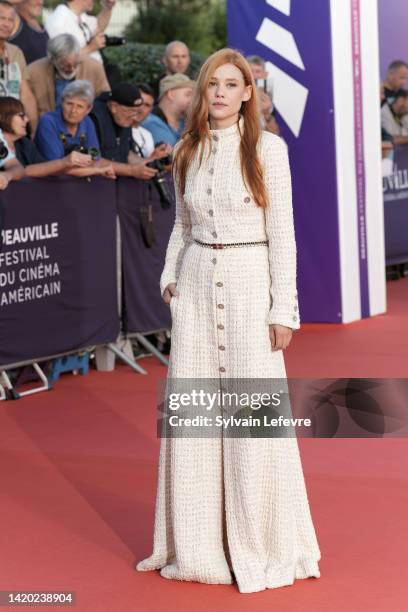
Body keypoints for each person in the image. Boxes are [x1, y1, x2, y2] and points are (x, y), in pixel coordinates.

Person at [136, 48, 321, 593]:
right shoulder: (187, 150)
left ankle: (260, 540)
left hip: (247, 286)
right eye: (211, 83)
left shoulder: (270, 150)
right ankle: (196, 546)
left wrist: (283, 307)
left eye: (230, 84)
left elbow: (283, 235)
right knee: (195, 422)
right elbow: (180, 224)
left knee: (252, 421)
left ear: (248, 93)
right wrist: (169, 276)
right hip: (194, 292)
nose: (219, 92)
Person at [0, 94, 112, 177]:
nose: (27, 119)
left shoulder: (24, 143)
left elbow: (46, 168)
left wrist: (97, 171)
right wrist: (65, 162)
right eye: (21, 116)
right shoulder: (48, 121)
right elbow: (27, 171)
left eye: (80, 106)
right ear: (3, 117)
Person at [28, 34, 110, 115]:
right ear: (53, 60)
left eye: (75, 64)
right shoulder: (33, 72)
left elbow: (105, 99)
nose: (71, 69)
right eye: (66, 65)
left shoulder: (94, 66)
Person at [90, 82, 158, 180]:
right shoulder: (94, 120)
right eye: (130, 111)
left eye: (136, 112)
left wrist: (149, 164)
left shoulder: (123, 119)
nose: (134, 117)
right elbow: (92, 159)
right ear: (114, 107)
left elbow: (126, 153)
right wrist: (131, 171)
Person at [0, 0, 37, 128]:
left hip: (14, 123)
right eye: (2, 18)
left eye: (10, 20)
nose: (6, 24)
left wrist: (33, 127)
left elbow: (26, 93)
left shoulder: (15, 52)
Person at [45, 0, 115, 64]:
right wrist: (91, 47)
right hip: (81, 76)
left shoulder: (80, 15)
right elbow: (62, 58)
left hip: (95, 71)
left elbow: (99, 26)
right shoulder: (58, 21)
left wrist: (108, 8)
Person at [141, 73, 194, 146]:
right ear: (171, 94)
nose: (193, 100)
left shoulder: (185, 123)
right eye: (188, 94)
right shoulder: (151, 122)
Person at [247, 54, 279, 134]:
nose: (254, 76)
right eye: (250, 71)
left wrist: (266, 113)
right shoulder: (235, 96)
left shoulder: (268, 99)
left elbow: (275, 134)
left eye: (258, 71)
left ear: (265, 74)